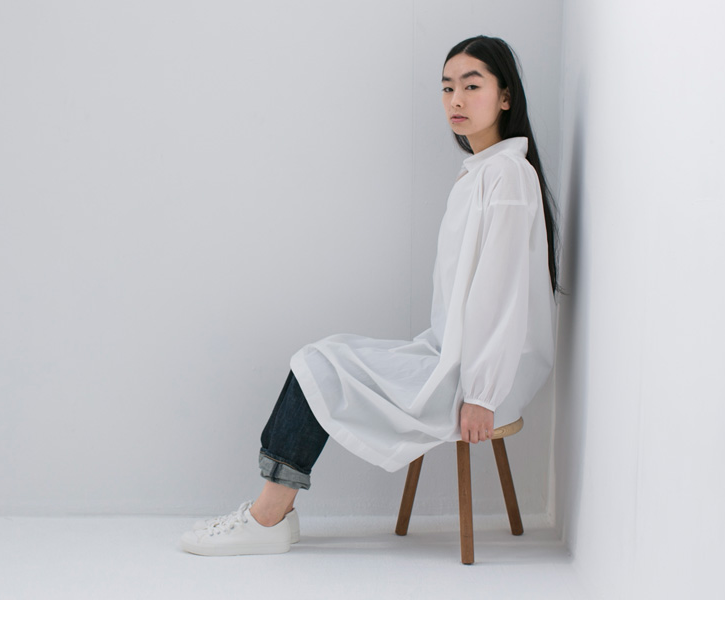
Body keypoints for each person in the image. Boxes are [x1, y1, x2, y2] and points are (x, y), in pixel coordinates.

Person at [180, 35, 559, 556]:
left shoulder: (507, 175)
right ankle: (273, 513)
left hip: (480, 379)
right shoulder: (480, 174)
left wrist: (482, 394)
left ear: (505, 96)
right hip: (455, 359)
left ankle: (268, 518)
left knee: (320, 366)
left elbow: (503, 294)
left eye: (472, 86)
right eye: (447, 87)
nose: (456, 100)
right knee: (319, 359)